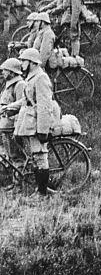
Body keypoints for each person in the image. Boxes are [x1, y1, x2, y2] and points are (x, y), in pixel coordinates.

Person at [13, 48, 55, 195]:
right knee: (35, 157)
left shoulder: (41, 78)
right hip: (28, 123)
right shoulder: (31, 77)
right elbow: (25, 101)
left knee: (40, 157)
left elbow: (45, 106)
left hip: (36, 123)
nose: (22, 64)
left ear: (32, 62)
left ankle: (42, 193)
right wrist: (9, 107)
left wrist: (43, 130)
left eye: (24, 61)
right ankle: (40, 189)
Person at [0, 58, 25, 185]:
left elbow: (22, 105)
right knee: (9, 155)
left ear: (12, 72)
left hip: (12, 126)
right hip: (5, 125)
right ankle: (11, 181)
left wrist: (7, 110)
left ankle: (18, 184)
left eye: (5, 70)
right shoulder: (8, 84)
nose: (3, 72)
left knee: (16, 156)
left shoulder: (19, 84)